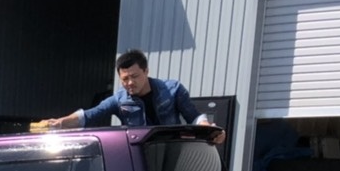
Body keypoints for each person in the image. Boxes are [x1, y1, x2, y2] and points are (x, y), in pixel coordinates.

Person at [41, 50, 224, 141]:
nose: (130, 83)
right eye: (125, 79)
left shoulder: (173, 89)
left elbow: (195, 116)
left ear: (146, 71)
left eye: (135, 77)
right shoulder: (119, 100)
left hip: (171, 152)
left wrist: (208, 128)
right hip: (139, 156)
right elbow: (89, 115)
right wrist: (59, 123)